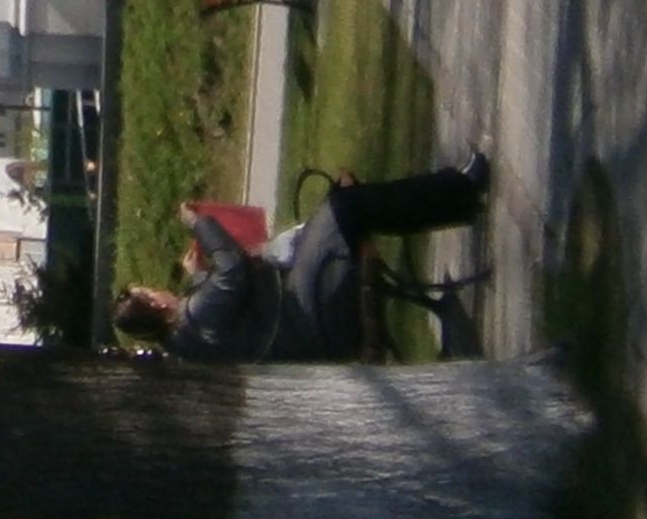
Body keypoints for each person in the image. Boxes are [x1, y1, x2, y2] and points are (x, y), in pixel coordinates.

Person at [112, 155, 491, 363]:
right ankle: (461, 189)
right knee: (345, 206)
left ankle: (455, 198)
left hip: (306, 326)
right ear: (154, 303)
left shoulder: (184, 343)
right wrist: (199, 224)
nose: (158, 289)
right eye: (149, 291)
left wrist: (196, 274)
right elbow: (233, 268)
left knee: (340, 211)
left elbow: (222, 308)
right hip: (310, 312)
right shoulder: (195, 315)